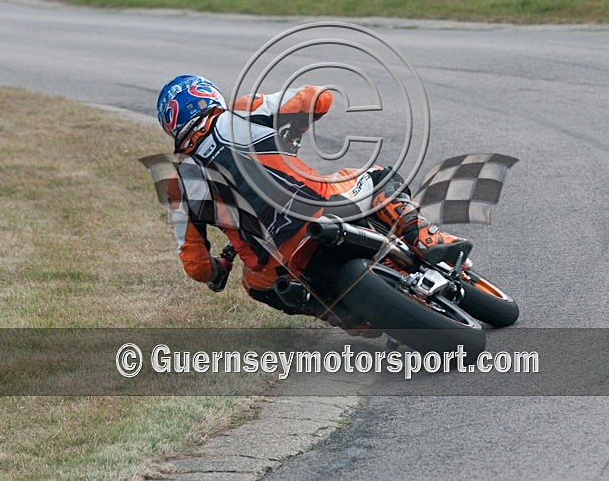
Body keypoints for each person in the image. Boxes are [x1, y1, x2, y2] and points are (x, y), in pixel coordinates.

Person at [156, 74, 469, 318]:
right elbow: (319, 98)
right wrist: (296, 125)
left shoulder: (177, 185)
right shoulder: (242, 110)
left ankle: (342, 316)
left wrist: (218, 268)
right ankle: (426, 238)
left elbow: (196, 267)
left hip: (277, 261)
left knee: (254, 285)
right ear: (207, 95)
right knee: (379, 175)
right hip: (322, 209)